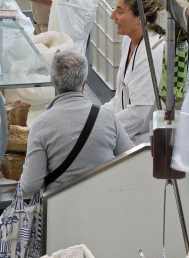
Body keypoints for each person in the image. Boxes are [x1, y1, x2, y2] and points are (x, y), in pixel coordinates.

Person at [20, 49, 133, 193]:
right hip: (105, 203)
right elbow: (131, 158)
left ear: (52, 83)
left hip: (61, 209)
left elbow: (30, 186)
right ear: (84, 83)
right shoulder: (107, 116)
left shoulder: (41, 125)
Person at [103, 0, 165, 144]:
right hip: (124, 131)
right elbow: (120, 95)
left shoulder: (151, 52)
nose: (112, 16)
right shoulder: (128, 40)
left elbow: (138, 114)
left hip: (144, 141)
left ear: (140, 18)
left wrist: (104, 131)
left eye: (120, 11)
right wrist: (98, 116)